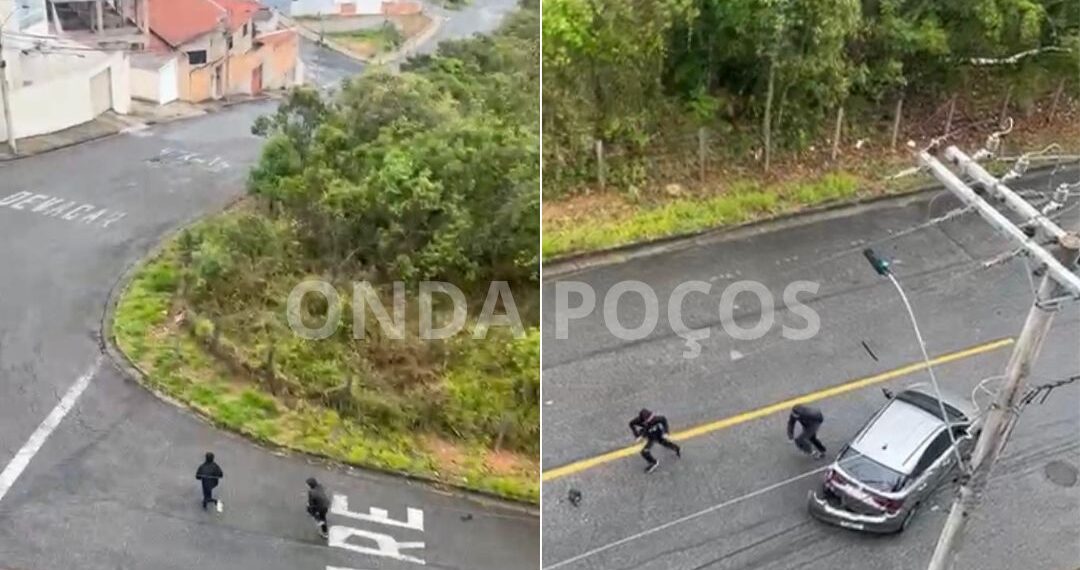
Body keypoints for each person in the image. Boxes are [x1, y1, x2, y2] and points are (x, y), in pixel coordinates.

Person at [629, 408, 681, 473]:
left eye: (652, 418)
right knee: (659, 443)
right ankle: (676, 448)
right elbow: (631, 424)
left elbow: (664, 420)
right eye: (648, 420)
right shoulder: (638, 420)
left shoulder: (657, 419)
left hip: (656, 432)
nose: (651, 420)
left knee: (656, 445)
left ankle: (654, 462)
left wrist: (666, 432)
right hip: (648, 433)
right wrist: (637, 435)